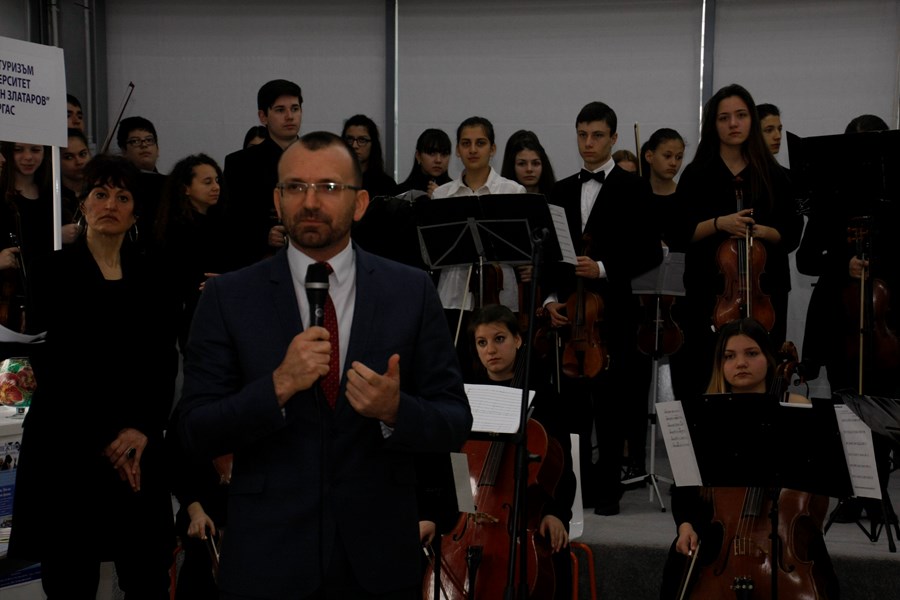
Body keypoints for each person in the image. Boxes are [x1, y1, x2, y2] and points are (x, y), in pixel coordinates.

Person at [178, 131, 472, 598]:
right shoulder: (228, 297)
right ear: (277, 201)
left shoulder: (410, 291)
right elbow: (194, 430)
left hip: (378, 557)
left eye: (329, 187)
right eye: (296, 187)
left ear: (360, 204)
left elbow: (455, 420)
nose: (310, 201)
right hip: (268, 555)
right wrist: (276, 387)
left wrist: (396, 410)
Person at [8, 154, 180, 598]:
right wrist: (108, 436)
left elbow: (164, 360)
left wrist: (141, 429)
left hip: (138, 445)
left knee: (147, 576)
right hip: (69, 444)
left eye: (123, 197)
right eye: (100, 194)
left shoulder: (155, 271)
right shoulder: (50, 270)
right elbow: (54, 363)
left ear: (136, 212)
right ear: (83, 203)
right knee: (71, 580)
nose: (110, 205)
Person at [658, 317, 839, 600]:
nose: (740, 363)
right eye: (729, 356)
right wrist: (685, 526)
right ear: (720, 364)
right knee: (680, 566)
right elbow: (685, 487)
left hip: (782, 538)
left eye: (751, 353)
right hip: (720, 537)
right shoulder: (706, 413)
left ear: (768, 358)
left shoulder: (796, 409)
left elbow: (816, 486)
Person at [544, 101, 663, 516]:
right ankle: (575, 492)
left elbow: (649, 251)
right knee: (572, 411)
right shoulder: (559, 190)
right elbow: (550, 254)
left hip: (613, 314)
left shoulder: (634, 187)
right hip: (571, 317)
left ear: (613, 138)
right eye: (582, 134)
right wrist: (550, 300)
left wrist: (603, 268)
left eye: (597, 135)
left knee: (612, 408)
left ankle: (609, 489)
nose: (588, 143)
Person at [672, 84, 803, 402]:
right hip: (709, 293)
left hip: (764, 293)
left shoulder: (775, 175)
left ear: (751, 121)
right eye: (724, 118)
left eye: (741, 116)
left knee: (763, 374)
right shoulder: (696, 174)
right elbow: (679, 233)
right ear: (713, 125)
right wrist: (720, 223)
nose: (733, 124)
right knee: (704, 374)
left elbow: (791, 234)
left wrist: (764, 232)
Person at [795, 113, 896, 525]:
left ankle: (878, 493)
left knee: (882, 406)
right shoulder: (829, 203)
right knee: (846, 405)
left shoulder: (893, 203)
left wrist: (878, 263)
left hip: (885, 323)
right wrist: (844, 264)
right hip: (839, 321)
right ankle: (852, 492)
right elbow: (805, 261)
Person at [469, 304, 576, 600]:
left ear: (517, 340)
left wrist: (555, 513)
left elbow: (562, 467)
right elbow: (458, 465)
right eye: (482, 342)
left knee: (550, 556)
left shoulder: (544, 397)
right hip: (475, 516)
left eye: (499, 339)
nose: (491, 350)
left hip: (529, 514)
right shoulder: (469, 396)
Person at [431, 116, 526, 374]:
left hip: (500, 298)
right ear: (458, 150)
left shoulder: (512, 191)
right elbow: (434, 251)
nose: (473, 150)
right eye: (466, 143)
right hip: (454, 299)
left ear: (492, 149)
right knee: (457, 371)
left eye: (480, 143)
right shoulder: (441, 195)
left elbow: (521, 252)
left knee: (498, 371)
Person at [223, 78, 303, 268]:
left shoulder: (319, 159)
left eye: (295, 108)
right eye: (280, 110)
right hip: (257, 263)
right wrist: (264, 235)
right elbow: (229, 222)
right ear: (263, 116)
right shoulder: (239, 164)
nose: (290, 116)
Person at [154, 153, 229, 354]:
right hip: (193, 312)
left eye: (217, 180)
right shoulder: (174, 228)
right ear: (186, 188)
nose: (216, 187)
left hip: (220, 308)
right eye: (207, 182)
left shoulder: (221, 222)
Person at [342, 114, 398, 199]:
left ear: (373, 144)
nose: (354, 145)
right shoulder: (336, 180)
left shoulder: (386, 185)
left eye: (362, 140)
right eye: (350, 139)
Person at [395, 127, 452, 197]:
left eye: (444, 154)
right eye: (431, 153)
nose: (438, 160)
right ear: (418, 156)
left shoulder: (457, 192)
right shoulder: (400, 193)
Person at [500, 129, 557, 196]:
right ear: (511, 166)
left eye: (535, 163)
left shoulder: (558, 197)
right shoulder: (498, 196)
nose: (529, 169)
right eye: (522, 164)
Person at [61, 128, 92, 239]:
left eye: (83, 154)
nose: (79, 162)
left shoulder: (99, 190)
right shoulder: (50, 198)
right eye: (69, 157)